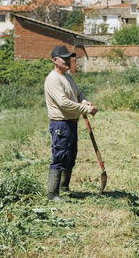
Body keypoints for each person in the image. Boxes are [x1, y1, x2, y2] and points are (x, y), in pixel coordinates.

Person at [44, 45, 98, 201]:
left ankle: (64, 188)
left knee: (70, 156)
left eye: (69, 58)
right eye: (65, 59)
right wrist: (85, 109)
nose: (69, 61)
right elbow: (64, 103)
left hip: (71, 123)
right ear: (55, 60)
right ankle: (52, 194)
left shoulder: (67, 76)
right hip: (60, 124)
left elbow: (78, 93)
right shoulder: (53, 79)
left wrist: (84, 101)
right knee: (60, 157)